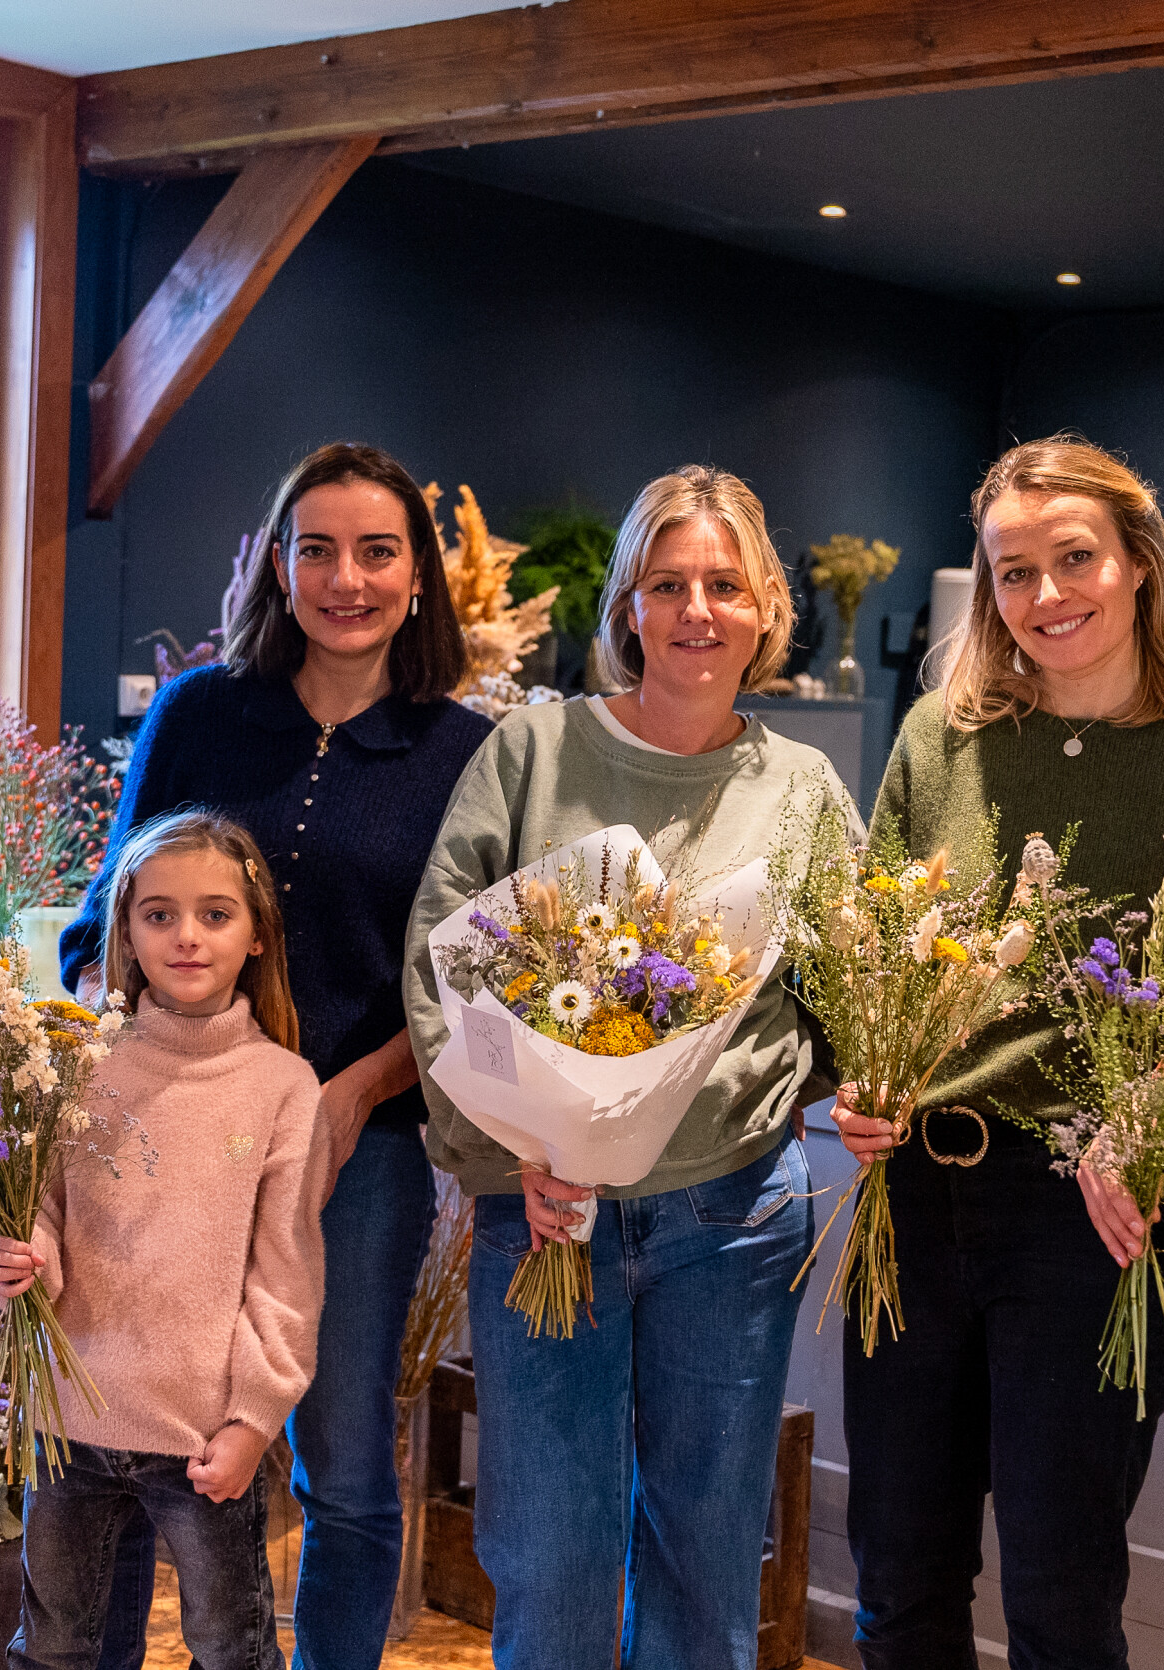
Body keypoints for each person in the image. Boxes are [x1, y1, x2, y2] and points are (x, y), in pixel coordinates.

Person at [824, 436, 1164, 1668]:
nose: (1045, 597)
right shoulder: (941, 735)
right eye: (1012, 571)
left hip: (1094, 1212)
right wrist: (860, 1077)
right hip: (915, 1195)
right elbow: (878, 936)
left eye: (1073, 558)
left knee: (1061, 1584)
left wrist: (1157, 1135)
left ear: (1138, 562)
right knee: (898, 1566)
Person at [403, 464, 853, 1670]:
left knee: (707, 1557)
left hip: (733, 1217)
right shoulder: (530, 753)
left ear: (764, 608)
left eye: (724, 583)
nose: (696, 609)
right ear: (628, 605)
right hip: (543, 1216)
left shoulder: (801, 788)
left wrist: (860, 1086)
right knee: (549, 1558)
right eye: (668, 583)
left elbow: (850, 996)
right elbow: (439, 969)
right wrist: (513, 1156)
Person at [57, 442, 491, 1670]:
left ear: (418, 578)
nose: (344, 577)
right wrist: (100, 1017)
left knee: (343, 1456)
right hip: (163, 1140)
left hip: (358, 1150)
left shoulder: (466, 751)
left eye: (376, 551)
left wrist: (349, 1093)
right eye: (317, 548)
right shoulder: (203, 710)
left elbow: (471, 983)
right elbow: (107, 913)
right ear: (275, 565)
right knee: (133, 1433)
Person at [0, 810, 325, 1670]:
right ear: (126, 932)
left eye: (216, 914)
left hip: (205, 1434)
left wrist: (255, 1419)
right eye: (158, 914)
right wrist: (18, 1256)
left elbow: (285, 1274)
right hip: (71, 1418)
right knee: (54, 1646)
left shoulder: (283, 1086)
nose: (186, 937)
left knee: (229, 1649)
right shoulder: (73, 1061)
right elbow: (44, 1210)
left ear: (256, 936)